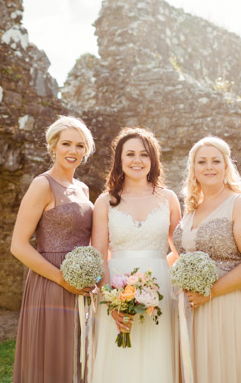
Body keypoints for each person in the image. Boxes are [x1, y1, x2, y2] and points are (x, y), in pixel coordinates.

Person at [173, 136, 241, 382]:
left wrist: (212, 292)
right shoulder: (192, 207)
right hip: (190, 307)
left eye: (216, 161)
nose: (209, 167)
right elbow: (179, 255)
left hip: (228, 303)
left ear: (226, 166)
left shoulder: (239, 204)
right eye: (202, 162)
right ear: (193, 169)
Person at [90, 128, 181, 383]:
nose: (137, 160)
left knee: (157, 358)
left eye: (144, 154)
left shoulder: (168, 199)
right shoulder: (105, 201)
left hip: (160, 289)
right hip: (115, 288)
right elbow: (98, 257)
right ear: (119, 160)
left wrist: (159, 270)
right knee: (119, 361)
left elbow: (180, 250)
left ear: (153, 160)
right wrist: (112, 302)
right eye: (130, 154)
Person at [10, 116, 95, 383]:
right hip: (50, 282)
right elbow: (19, 245)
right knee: (52, 358)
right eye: (66, 144)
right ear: (53, 147)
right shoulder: (42, 185)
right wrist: (61, 278)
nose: (73, 151)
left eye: (80, 146)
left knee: (79, 356)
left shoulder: (83, 188)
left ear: (86, 151)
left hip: (82, 283)